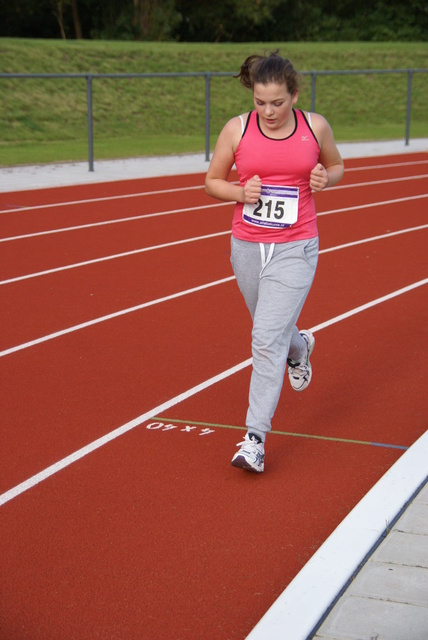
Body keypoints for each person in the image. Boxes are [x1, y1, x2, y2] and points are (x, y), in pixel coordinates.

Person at [205, 51, 344, 473]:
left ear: (294, 95)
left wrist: (326, 178)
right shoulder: (237, 129)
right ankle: (300, 346)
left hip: (296, 246)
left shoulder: (314, 127)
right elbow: (212, 182)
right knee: (274, 333)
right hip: (246, 246)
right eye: (260, 101)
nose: (268, 111)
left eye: (278, 102)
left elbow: (337, 166)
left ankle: (254, 440)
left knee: (265, 339)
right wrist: (239, 193)